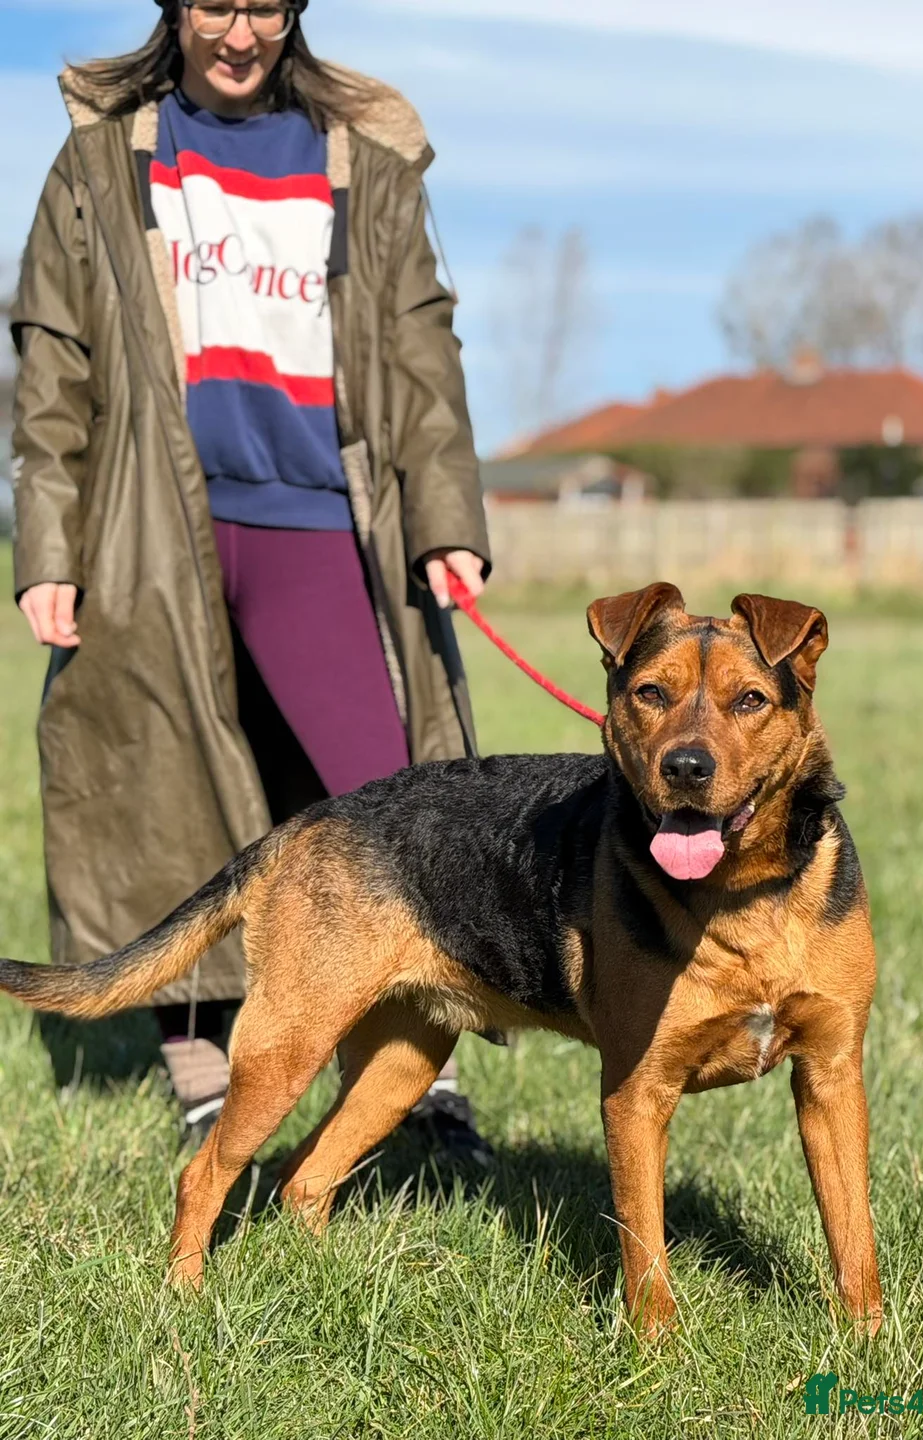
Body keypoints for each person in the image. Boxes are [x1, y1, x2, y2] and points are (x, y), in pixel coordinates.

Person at [11, 0, 495, 1156]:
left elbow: (424, 351)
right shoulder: (100, 159)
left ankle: (410, 1082)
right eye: (216, 5)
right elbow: (54, 367)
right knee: (161, 787)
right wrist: (50, 548)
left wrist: (445, 517)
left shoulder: (361, 159)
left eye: (265, 7)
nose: (240, 34)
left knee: (394, 806)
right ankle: (199, 1056)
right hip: (147, 526)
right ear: (175, 12)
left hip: (320, 521)